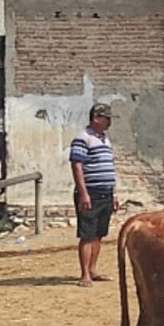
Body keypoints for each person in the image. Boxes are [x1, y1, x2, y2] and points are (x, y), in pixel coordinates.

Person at [70, 103, 118, 287]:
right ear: (96, 118)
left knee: (99, 234)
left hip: (105, 193)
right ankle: (84, 274)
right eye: (107, 118)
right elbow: (77, 165)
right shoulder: (83, 139)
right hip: (90, 193)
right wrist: (83, 193)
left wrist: (114, 194)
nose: (109, 122)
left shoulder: (105, 140)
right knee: (87, 234)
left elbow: (109, 168)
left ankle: (93, 269)